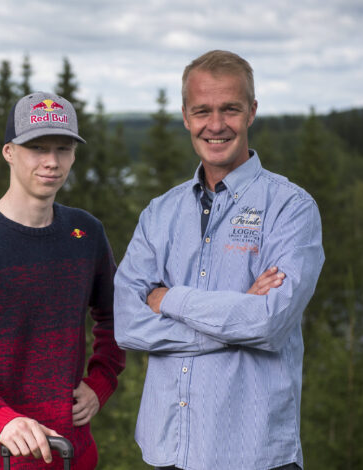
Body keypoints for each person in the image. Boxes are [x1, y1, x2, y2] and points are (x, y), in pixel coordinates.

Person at [114, 50, 324, 469]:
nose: (215, 124)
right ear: (186, 116)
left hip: (255, 455)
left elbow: (268, 322)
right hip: (168, 450)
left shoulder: (291, 208)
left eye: (230, 109)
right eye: (202, 111)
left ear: (252, 112)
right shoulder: (160, 213)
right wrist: (234, 322)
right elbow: (126, 322)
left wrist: (169, 299)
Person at [0, 91, 126, 469]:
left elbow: (117, 319)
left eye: (63, 149)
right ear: (9, 152)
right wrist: (0, 421)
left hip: (73, 455)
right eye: (37, 147)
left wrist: (102, 381)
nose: (51, 162)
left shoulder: (86, 233)